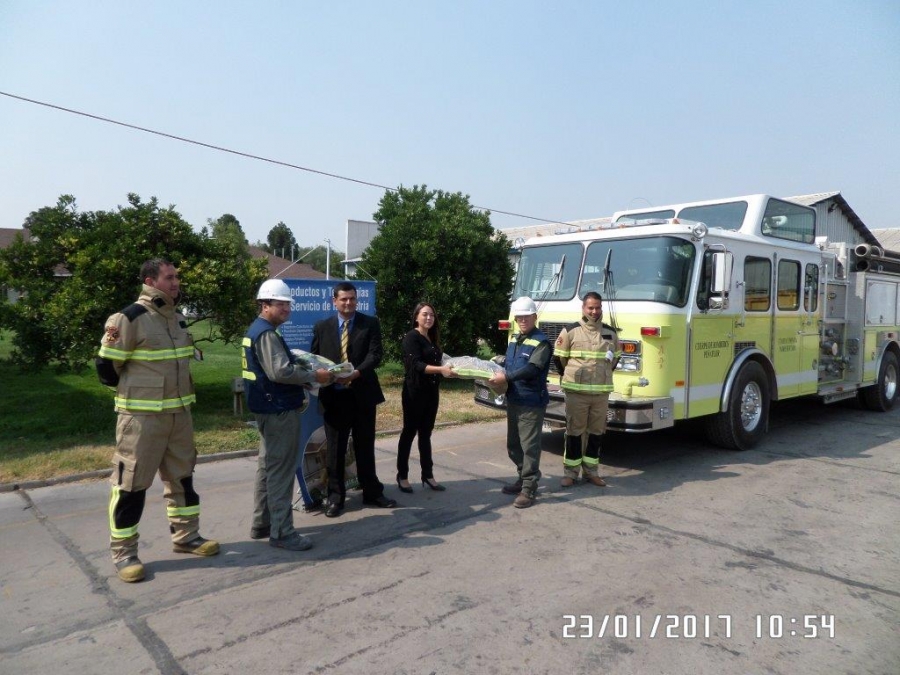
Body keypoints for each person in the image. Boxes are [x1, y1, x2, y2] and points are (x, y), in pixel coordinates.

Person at [96, 258, 219, 583]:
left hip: (179, 416)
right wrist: (137, 398)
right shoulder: (128, 318)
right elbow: (106, 369)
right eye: (170, 277)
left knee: (182, 478)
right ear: (151, 281)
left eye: (177, 276)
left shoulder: (176, 319)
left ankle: (186, 537)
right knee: (131, 485)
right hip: (141, 420)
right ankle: (124, 555)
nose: (176, 282)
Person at [242, 279, 333, 551]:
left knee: (266, 467)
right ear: (265, 304)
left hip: (267, 408)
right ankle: (282, 532)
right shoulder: (267, 334)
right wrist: (313, 376)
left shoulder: (258, 330)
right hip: (278, 411)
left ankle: (262, 523)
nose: (286, 309)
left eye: (288, 304)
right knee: (281, 471)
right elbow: (280, 372)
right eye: (280, 304)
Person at [311, 282, 397, 518]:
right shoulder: (322, 327)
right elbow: (315, 359)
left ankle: (372, 492)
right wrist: (325, 375)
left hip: (362, 396)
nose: (348, 303)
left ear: (357, 300)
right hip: (334, 399)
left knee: (365, 446)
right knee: (335, 451)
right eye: (343, 299)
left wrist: (356, 373)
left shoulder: (369, 323)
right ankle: (335, 497)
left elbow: (375, 354)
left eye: (352, 299)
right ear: (334, 301)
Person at [487, 297, 552, 508]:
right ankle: (523, 477)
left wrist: (506, 378)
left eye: (526, 316)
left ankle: (528, 488)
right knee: (513, 446)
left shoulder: (541, 342)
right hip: (514, 399)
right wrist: (497, 363)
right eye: (519, 317)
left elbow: (532, 369)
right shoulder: (515, 339)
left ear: (535, 316)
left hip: (531, 402)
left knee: (529, 446)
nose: (522, 320)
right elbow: (512, 363)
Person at [553, 292, 619, 488]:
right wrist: (573, 377)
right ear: (583, 308)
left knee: (596, 433)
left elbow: (615, 358)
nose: (594, 311)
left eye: (597, 307)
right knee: (574, 432)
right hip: (576, 394)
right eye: (590, 307)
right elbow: (560, 359)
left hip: (600, 394)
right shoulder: (571, 331)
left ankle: (591, 472)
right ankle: (570, 473)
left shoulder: (610, 333)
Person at [396, 302, 456, 493]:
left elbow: (438, 361)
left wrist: (453, 369)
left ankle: (427, 475)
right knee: (409, 432)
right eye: (424, 315)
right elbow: (417, 365)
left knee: (426, 434)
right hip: (414, 392)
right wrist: (441, 370)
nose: (429, 318)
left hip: (431, 392)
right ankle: (402, 475)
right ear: (416, 317)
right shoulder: (411, 337)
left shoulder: (431, 338)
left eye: (431, 315)